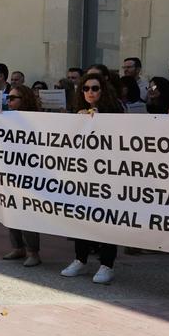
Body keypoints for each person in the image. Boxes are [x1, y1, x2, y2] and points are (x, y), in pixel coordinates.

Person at [60, 73, 125, 283]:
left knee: (106, 220)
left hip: (107, 175)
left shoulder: (115, 111)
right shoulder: (77, 111)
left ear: (102, 90)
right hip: (82, 174)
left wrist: (99, 120)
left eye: (95, 88)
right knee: (80, 218)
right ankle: (80, 259)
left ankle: (107, 264)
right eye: (86, 88)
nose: (90, 92)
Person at [1, 84, 43, 267]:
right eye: (7, 98)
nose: (8, 101)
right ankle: (17, 247)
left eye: (12, 98)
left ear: (24, 99)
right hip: (10, 170)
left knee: (27, 214)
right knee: (11, 210)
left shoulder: (36, 119)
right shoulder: (5, 117)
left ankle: (33, 252)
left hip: (29, 173)